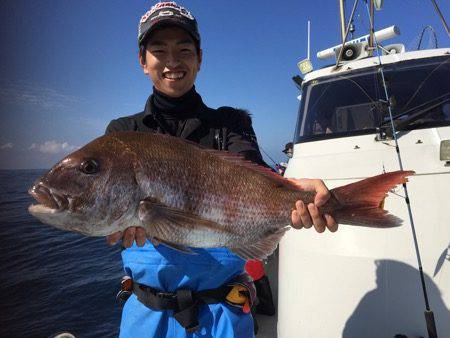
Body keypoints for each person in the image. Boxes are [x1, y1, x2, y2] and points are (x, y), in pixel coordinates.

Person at [105, 2, 337, 337]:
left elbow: (258, 179)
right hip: (146, 316)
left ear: (199, 59)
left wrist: (296, 193)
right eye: (159, 50)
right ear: (143, 61)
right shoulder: (122, 133)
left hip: (222, 315)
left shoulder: (230, 124)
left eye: (184, 50)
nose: (172, 61)